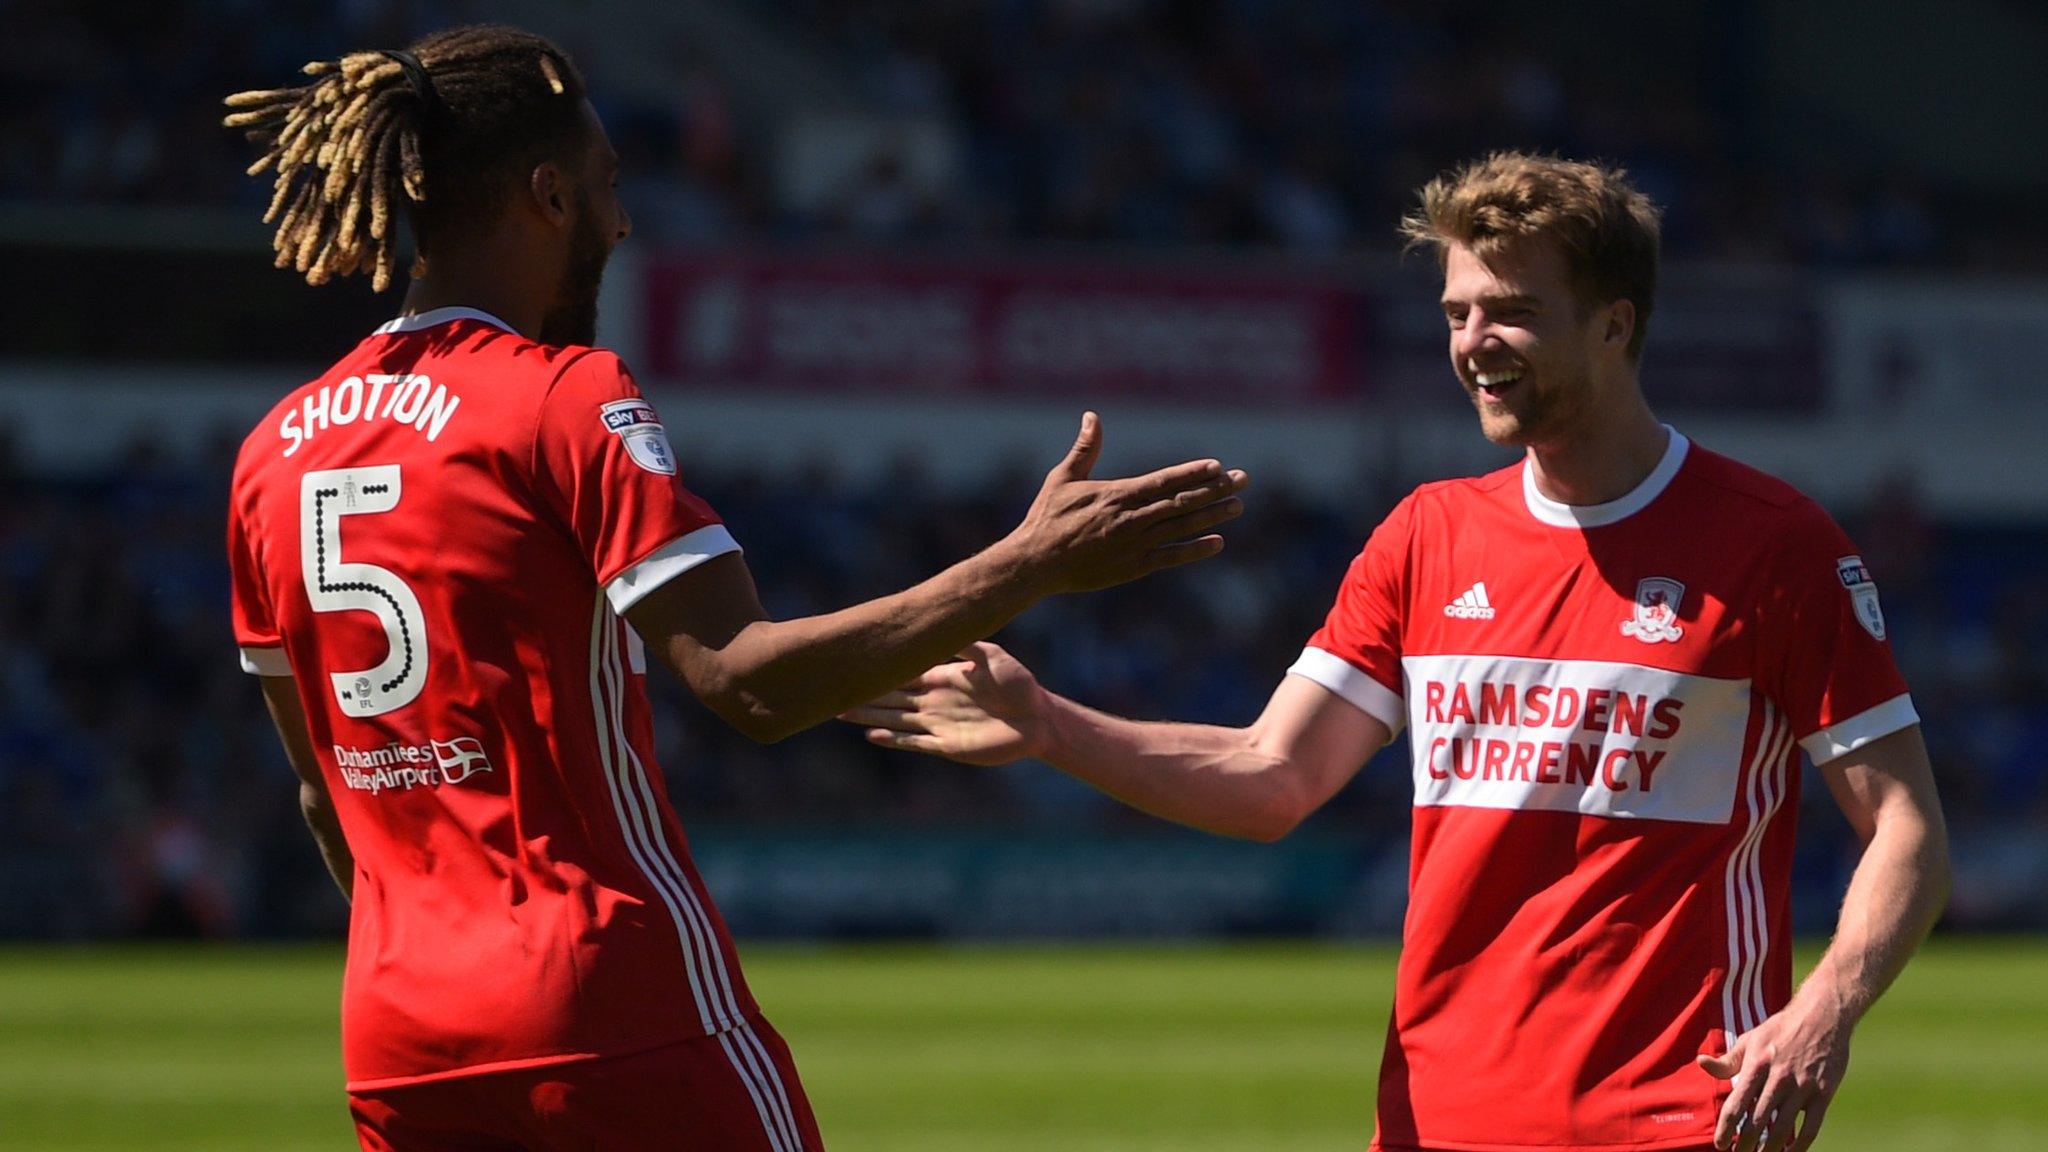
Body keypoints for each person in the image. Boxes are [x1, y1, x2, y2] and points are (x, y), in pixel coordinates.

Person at [220, 25, 1246, 1152]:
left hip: (397, 1032)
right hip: (602, 1003)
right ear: (550, 194)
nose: (624, 221)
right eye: (610, 187)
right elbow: (746, 684)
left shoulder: (273, 450)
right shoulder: (560, 396)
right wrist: (1028, 563)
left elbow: (326, 795)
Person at [849, 152, 1950, 1152]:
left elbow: (1904, 827)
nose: (1472, 346)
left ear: (1614, 325)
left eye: (1510, 313)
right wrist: (1050, 727)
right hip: (1432, 1120)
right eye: (1456, 313)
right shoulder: (1426, 535)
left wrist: (1821, 1010)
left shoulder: (1772, 544)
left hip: (1673, 1118)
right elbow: (1272, 778)